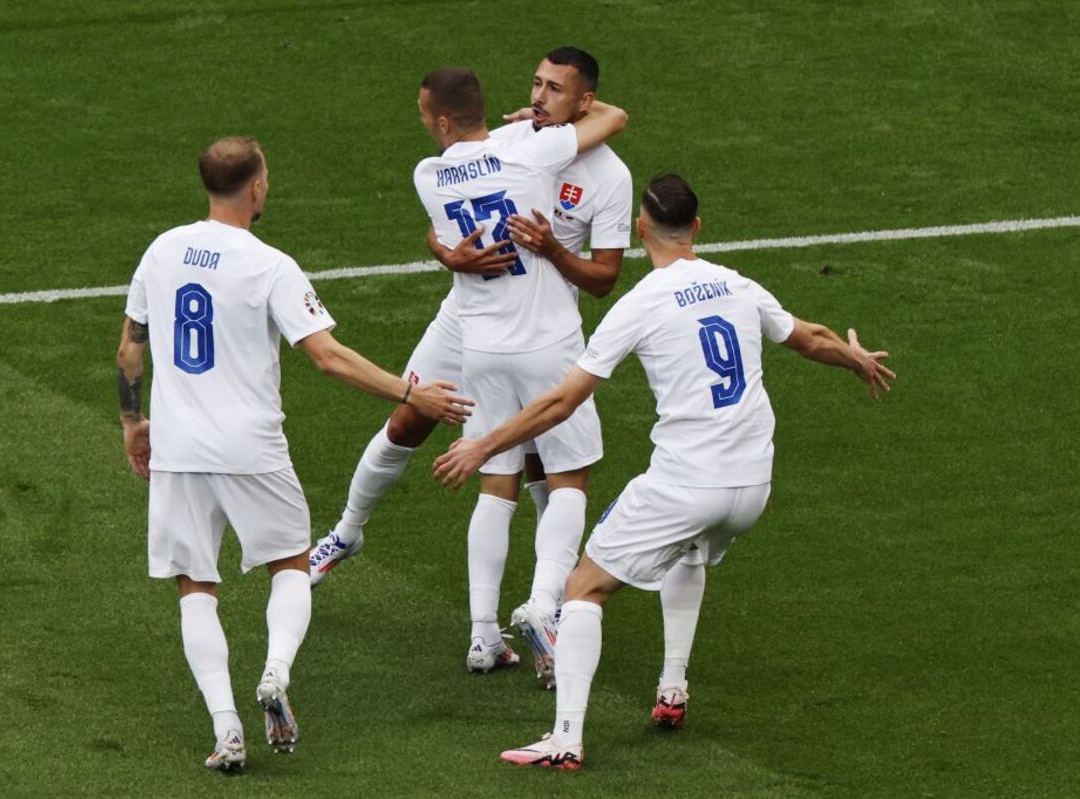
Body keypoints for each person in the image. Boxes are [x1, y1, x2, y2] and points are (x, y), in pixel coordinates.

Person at [433, 174, 895, 769]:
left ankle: (565, 739)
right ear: (697, 228)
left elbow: (560, 402)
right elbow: (810, 338)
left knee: (583, 588)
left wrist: (484, 444)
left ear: (639, 229)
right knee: (690, 551)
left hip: (687, 484)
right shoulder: (735, 283)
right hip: (753, 486)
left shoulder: (640, 304)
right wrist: (853, 357)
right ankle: (672, 687)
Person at [116, 136, 472, 770]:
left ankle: (226, 728)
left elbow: (129, 351)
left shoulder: (161, 250)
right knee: (289, 564)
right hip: (251, 445)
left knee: (195, 587)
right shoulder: (269, 264)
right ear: (255, 187)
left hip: (178, 447)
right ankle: (275, 673)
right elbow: (328, 357)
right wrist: (413, 392)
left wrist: (132, 421)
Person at [308, 50, 631, 687]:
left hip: (510, 328)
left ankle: (515, 619)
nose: (538, 96)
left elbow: (604, 277)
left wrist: (544, 249)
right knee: (412, 422)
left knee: (520, 465)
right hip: (476, 319)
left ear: (582, 102)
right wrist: (449, 257)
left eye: (554, 89)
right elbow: (448, 222)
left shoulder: (601, 175)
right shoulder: (523, 144)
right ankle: (348, 534)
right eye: (534, 84)